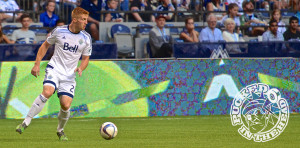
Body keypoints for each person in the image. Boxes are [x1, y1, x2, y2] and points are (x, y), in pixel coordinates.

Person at [15, 7, 92, 141]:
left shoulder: (86, 37)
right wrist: (37, 64)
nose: (86, 22)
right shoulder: (59, 31)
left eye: (86, 19)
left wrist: (81, 68)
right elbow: (45, 45)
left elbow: (85, 58)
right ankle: (26, 121)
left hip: (69, 76)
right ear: (75, 20)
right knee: (48, 92)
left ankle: (60, 130)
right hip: (54, 69)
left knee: (65, 105)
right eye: (83, 19)